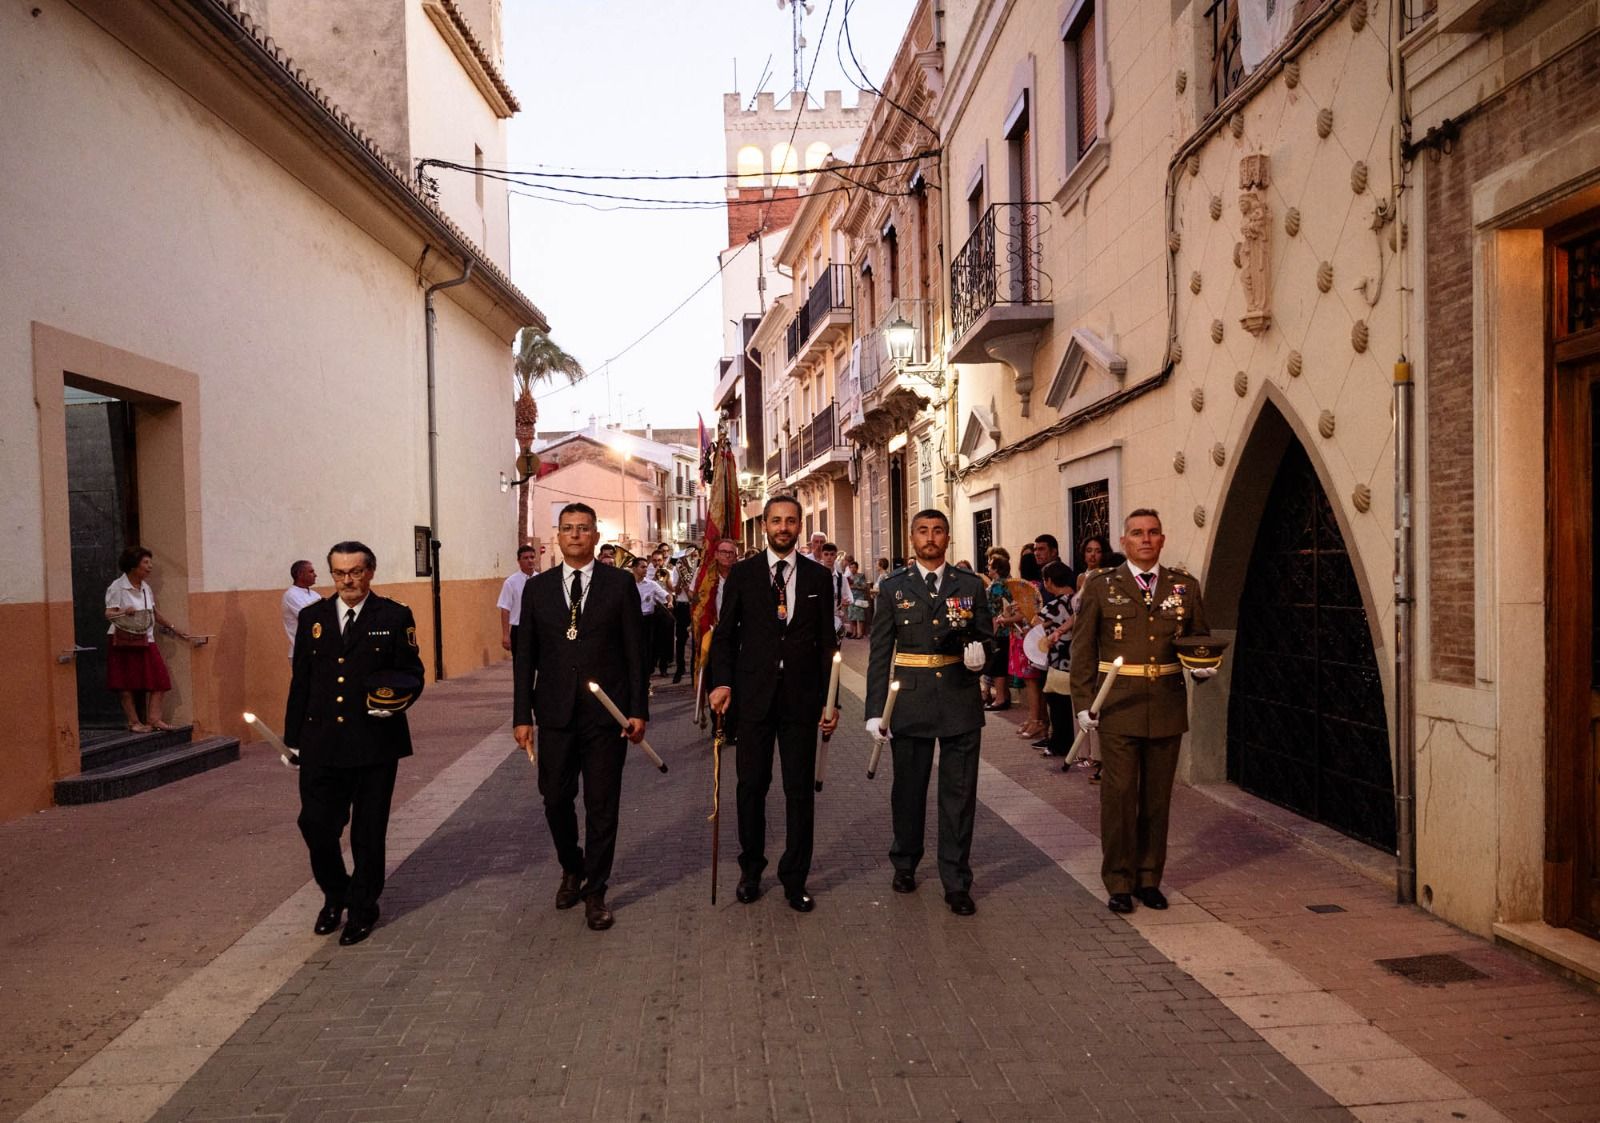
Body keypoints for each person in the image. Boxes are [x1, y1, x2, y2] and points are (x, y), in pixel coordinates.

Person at [1070, 509, 1214, 915]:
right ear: (1124, 541)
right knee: (1118, 797)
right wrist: (1083, 705)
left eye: (1153, 532)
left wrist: (1202, 670)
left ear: (1162, 539)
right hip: (1117, 706)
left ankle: (1149, 878)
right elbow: (1083, 652)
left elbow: (1198, 642)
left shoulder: (1184, 587)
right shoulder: (1102, 586)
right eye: (1137, 533)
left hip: (1165, 705)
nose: (1146, 539)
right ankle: (1118, 880)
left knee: (1156, 800)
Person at [514, 503, 650, 932]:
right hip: (554, 713)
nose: (575, 535)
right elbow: (525, 658)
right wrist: (522, 715)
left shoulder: (619, 584)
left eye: (584, 529)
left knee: (602, 804)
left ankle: (596, 890)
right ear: (557, 536)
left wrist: (637, 710)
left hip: (605, 715)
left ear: (595, 536)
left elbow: (635, 652)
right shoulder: (536, 590)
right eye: (568, 529)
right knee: (554, 797)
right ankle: (571, 865)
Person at [284, 540, 425, 946]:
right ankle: (336, 893)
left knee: (367, 832)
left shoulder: (394, 616)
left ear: (370, 572)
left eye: (355, 572)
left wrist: (395, 702)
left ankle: (363, 906)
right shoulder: (313, 616)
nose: (347, 580)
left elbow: (411, 672)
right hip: (321, 742)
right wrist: (293, 740)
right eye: (339, 573)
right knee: (315, 824)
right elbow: (302, 682)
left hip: (374, 743)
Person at [708, 495, 839, 912]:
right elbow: (726, 636)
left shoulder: (819, 577)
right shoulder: (743, 575)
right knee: (751, 788)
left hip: (801, 701)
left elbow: (827, 646)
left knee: (799, 791)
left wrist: (830, 701)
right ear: (763, 525)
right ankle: (750, 870)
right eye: (776, 521)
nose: (783, 527)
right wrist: (721, 683)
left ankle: (794, 878)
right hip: (753, 700)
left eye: (791, 521)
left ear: (800, 526)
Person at [865, 510, 994, 916]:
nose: (930, 538)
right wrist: (874, 711)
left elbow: (988, 639)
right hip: (911, 703)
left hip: (959, 699)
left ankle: (956, 880)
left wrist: (980, 660)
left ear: (948, 537)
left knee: (959, 795)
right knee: (909, 790)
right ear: (912, 539)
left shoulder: (971, 586)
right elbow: (880, 651)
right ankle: (905, 862)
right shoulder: (893, 587)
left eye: (938, 531)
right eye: (923, 531)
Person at [104, 547, 190, 732]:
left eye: (150, 562)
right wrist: (123, 612)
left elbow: (153, 612)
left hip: (145, 638)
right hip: (123, 639)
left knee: (160, 679)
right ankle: (134, 722)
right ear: (133, 565)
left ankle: (154, 718)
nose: (150, 567)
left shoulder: (145, 587)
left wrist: (175, 629)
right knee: (125, 683)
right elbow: (109, 613)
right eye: (146, 562)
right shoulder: (117, 587)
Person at [1037, 562, 1079, 762]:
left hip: (1059, 663)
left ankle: (1059, 745)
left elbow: (1036, 630)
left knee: (1058, 707)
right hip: (1079, 660)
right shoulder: (1079, 600)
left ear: (1049, 582)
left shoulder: (1053, 607)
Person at [982, 554, 1014, 711]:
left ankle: (1000, 699)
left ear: (996, 569)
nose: (988, 568)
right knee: (1002, 664)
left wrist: (991, 633)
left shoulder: (996, 586)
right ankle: (1005, 695)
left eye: (990, 565)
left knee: (998, 666)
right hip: (1009, 630)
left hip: (1000, 630)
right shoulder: (1008, 583)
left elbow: (994, 612)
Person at [497, 545, 539, 655]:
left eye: (532, 557)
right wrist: (506, 635)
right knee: (521, 667)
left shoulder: (542, 580)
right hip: (520, 630)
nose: (530, 560)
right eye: (525, 558)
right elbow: (505, 609)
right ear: (519, 561)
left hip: (538, 630)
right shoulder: (511, 582)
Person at [281, 560, 320, 660]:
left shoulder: (315, 595)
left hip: (317, 650)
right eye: (311, 572)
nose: (315, 575)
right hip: (301, 652)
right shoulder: (291, 595)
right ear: (300, 574)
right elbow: (309, 617)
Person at [671, 551, 695, 683]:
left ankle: (693, 673)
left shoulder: (696, 569)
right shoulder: (676, 569)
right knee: (680, 640)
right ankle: (680, 668)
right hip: (682, 606)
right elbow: (676, 590)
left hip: (693, 606)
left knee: (695, 642)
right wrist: (681, 577)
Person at [846, 560, 868, 639]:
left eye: (854, 567)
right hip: (851, 598)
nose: (852, 569)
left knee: (860, 617)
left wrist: (854, 586)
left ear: (857, 568)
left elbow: (864, 587)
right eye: (851, 567)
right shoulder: (848, 577)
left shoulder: (861, 575)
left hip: (859, 598)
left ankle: (860, 633)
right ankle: (854, 633)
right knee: (852, 617)